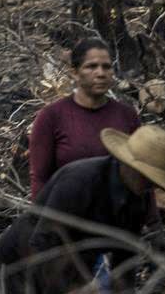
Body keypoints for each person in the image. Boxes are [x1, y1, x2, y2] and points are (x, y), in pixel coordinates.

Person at [0, 125, 165, 294]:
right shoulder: (79, 181)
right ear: (128, 165)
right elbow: (44, 242)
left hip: (73, 269)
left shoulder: (137, 201)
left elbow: (124, 263)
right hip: (19, 264)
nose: (151, 186)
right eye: (147, 178)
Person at [26, 36, 141, 198]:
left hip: (117, 217)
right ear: (75, 73)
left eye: (106, 67)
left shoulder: (127, 116)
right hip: (68, 215)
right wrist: (42, 220)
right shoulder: (51, 117)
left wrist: (152, 221)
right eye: (91, 66)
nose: (101, 73)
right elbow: (39, 179)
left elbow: (142, 174)